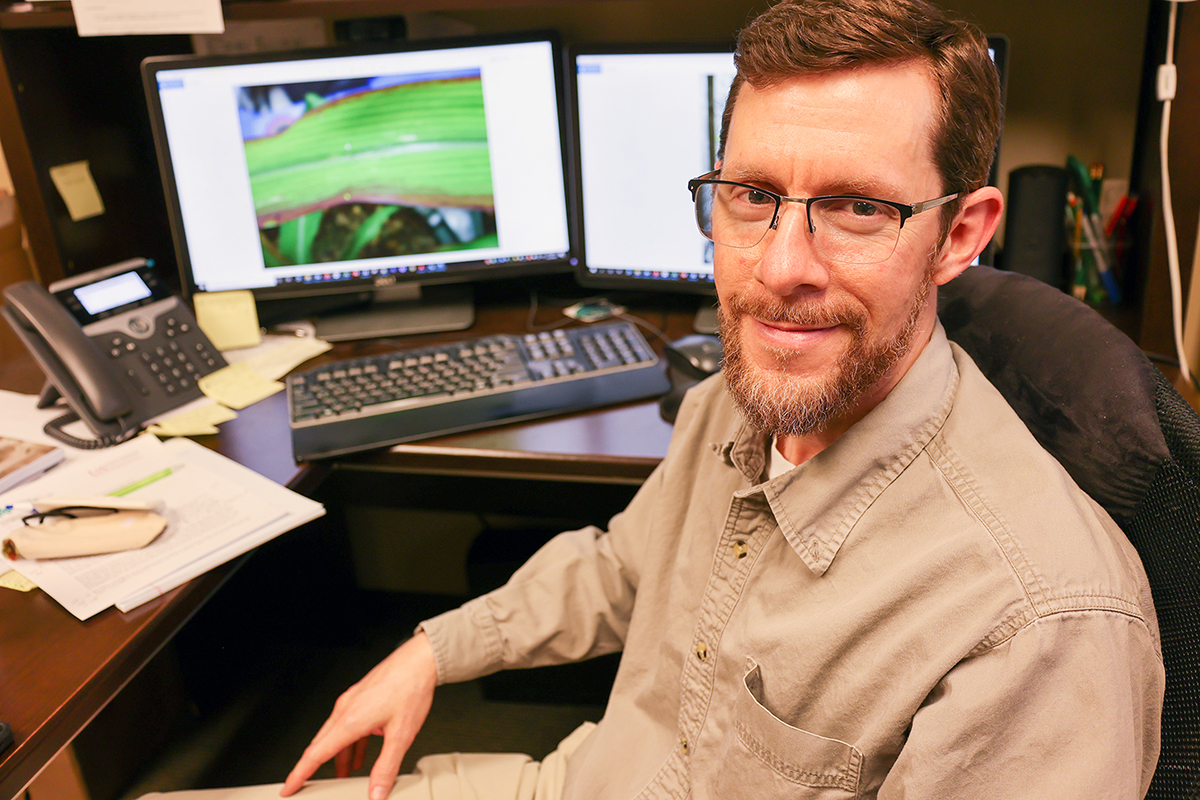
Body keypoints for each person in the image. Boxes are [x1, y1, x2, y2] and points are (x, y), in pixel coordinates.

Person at [152, 1, 1164, 798]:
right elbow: (630, 566)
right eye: (752, 196)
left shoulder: (1039, 628)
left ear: (960, 233)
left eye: (858, 207)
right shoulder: (753, 390)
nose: (781, 268)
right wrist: (432, 647)